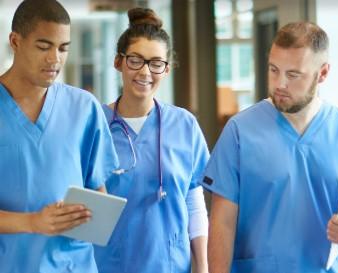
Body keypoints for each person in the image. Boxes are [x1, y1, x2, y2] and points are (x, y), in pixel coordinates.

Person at [201, 21, 338, 273]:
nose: (280, 83)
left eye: (293, 75)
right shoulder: (240, 131)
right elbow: (222, 224)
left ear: (322, 73)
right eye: (273, 70)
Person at [0, 0, 119, 272]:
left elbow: (97, 193)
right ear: (15, 41)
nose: (55, 59)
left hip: (73, 264)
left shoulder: (84, 107)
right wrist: (32, 222)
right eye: (44, 47)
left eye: (63, 48)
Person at [93, 7, 209, 273]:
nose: (145, 72)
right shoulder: (96, 126)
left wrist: (202, 266)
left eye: (156, 63)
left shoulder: (184, 125)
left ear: (166, 69)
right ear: (118, 62)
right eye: (135, 60)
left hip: (171, 265)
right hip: (108, 265)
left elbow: (193, 200)